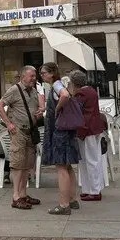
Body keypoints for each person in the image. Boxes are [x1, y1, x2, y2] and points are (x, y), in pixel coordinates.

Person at [0, 65, 42, 210]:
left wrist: (39, 113)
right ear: (23, 77)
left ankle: (23, 194)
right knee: (18, 164)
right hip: (19, 132)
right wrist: (8, 123)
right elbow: (0, 106)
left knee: (27, 164)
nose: (34, 79)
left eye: (35, 76)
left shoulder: (34, 91)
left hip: (31, 131)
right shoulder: (14, 90)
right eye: (31, 76)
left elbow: (34, 108)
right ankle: (16, 196)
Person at [40, 63, 79, 215]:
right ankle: (72, 198)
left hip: (59, 132)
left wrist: (56, 109)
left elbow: (64, 95)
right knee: (67, 166)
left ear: (52, 73)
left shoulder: (57, 85)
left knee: (61, 167)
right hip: (65, 131)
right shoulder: (59, 84)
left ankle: (64, 204)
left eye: (43, 73)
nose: (41, 75)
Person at [72, 69, 105, 202]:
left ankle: (94, 190)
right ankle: (88, 188)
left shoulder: (80, 93)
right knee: (87, 160)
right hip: (93, 127)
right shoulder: (91, 90)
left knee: (89, 160)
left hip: (86, 129)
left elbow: (76, 111)